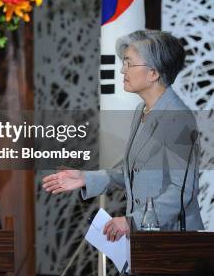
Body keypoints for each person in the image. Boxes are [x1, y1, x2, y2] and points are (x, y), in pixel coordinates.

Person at [43, 30, 203, 240]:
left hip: (172, 240)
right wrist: (85, 178)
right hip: (145, 238)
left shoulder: (178, 118)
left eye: (129, 63)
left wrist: (133, 221)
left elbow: (181, 191)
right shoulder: (141, 112)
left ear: (153, 73)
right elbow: (134, 172)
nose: (122, 70)